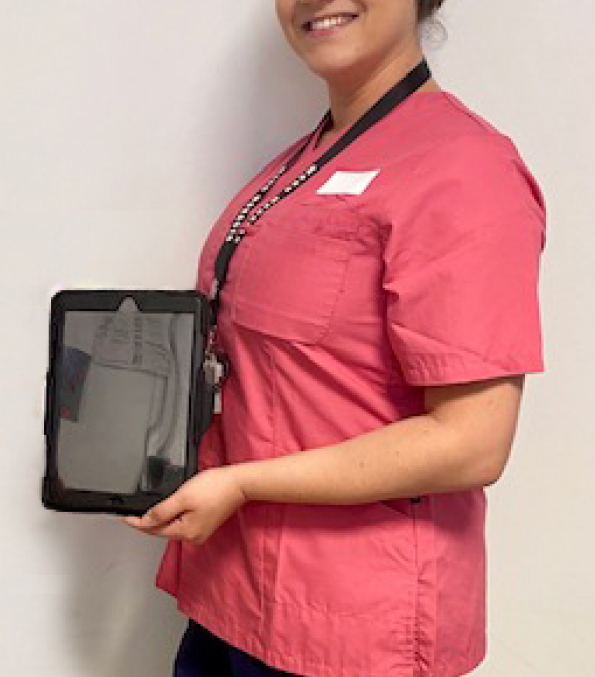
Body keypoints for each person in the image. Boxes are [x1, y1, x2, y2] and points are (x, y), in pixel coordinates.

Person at [121, 1, 547, 676]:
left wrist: (241, 483)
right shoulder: (296, 164)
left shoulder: (465, 170)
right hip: (235, 589)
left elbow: (472, 440)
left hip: (350, 623)